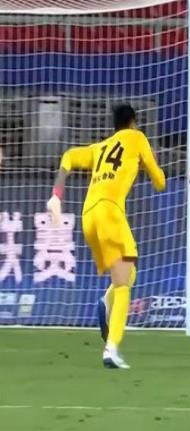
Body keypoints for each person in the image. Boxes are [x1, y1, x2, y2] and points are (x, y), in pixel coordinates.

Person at [46, 104, 166, 369]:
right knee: (124, 285)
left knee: (127, 272)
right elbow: (160, 182)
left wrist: (56, 195)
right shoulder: (138, 138)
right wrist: (151, 164)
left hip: (89, 216)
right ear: (133, 122)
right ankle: (111, 349)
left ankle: (105, 302)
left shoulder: (100, 147)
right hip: (110, 212)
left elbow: (68, 156)